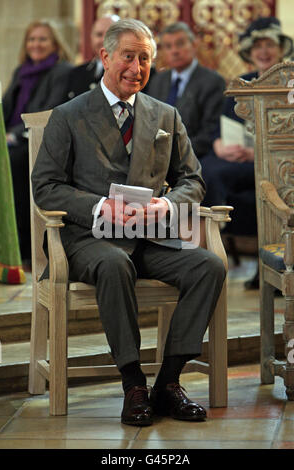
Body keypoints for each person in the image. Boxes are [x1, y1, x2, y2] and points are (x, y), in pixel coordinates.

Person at [31, 18, 226, 427]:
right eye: (128, 57)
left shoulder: (166, 115)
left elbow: (193, 179)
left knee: (209, 265)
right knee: (115, 263)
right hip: (88, 239)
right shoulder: (68, 115)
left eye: (144, 59)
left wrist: (169, 206)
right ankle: (133, 382)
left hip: (151, 237)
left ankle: (168, 383)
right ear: (105, 57)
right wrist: (100, 205)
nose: (136, 68)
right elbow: (46, 187)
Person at [200, 16, 293, 287]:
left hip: (270, 160)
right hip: (236, 160)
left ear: (280, 48)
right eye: (257, 47)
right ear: (249, 53)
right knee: (204, 167)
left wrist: (256, 155)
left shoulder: (290, 82)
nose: (263, 51)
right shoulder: (243, 83)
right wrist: (219, 145)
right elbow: (222, 126)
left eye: (268, 45)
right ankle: (209, 243)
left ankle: (214, 236)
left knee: (215, 173)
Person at [3, 20, 72, 266]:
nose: (36, 44)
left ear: (55, 44)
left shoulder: (62, 71)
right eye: (32, 39)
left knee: (12, 163)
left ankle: (21, 247)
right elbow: (6, 108)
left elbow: (48, 111)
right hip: (11, 138)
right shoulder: (21, 71)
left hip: (35, 140)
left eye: (42, 39)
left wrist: (12, 134)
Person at [147, 22, 226, 159]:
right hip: (156, 155)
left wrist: (175, 153)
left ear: (194, 45)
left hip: (194, 157)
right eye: (168, 46)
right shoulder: (157, 81)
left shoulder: (213, 82)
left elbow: (210, 132)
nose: (174, 51)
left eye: (180, 44)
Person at [66, 15, 120, 100]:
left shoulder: (130, 73)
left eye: (110, 35)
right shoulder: (76, 73)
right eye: (99, 34)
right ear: (91, 38)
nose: (104, 40)